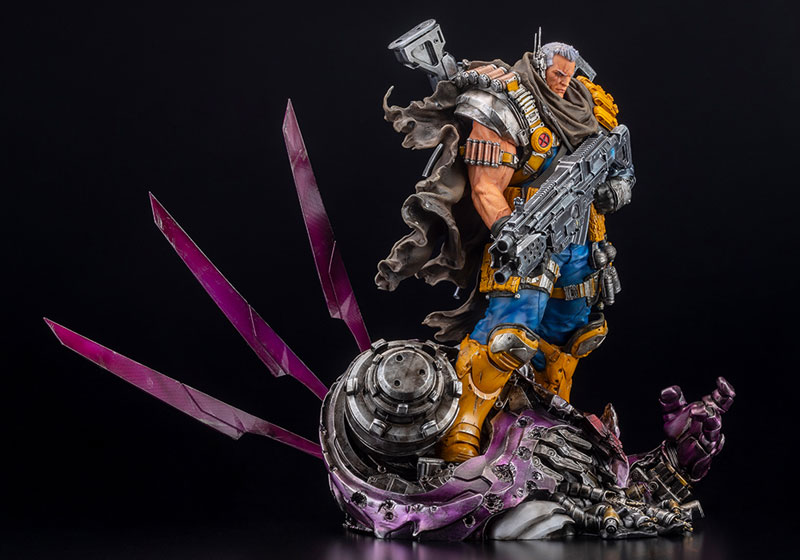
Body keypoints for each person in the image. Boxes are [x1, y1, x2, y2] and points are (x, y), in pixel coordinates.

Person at [377, 40, 635, 462]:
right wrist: (512, 233)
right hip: (528, 232)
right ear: (539, 63)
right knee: (509, 336)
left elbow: (621, 163)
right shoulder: (506, 103)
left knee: (574, 337)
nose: (563, 82)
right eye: (557, 74)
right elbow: (485, 188)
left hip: (583, 242)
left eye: (569, 75)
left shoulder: (589, 103)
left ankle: (547, 429)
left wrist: (617, 190)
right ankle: (462, 429)